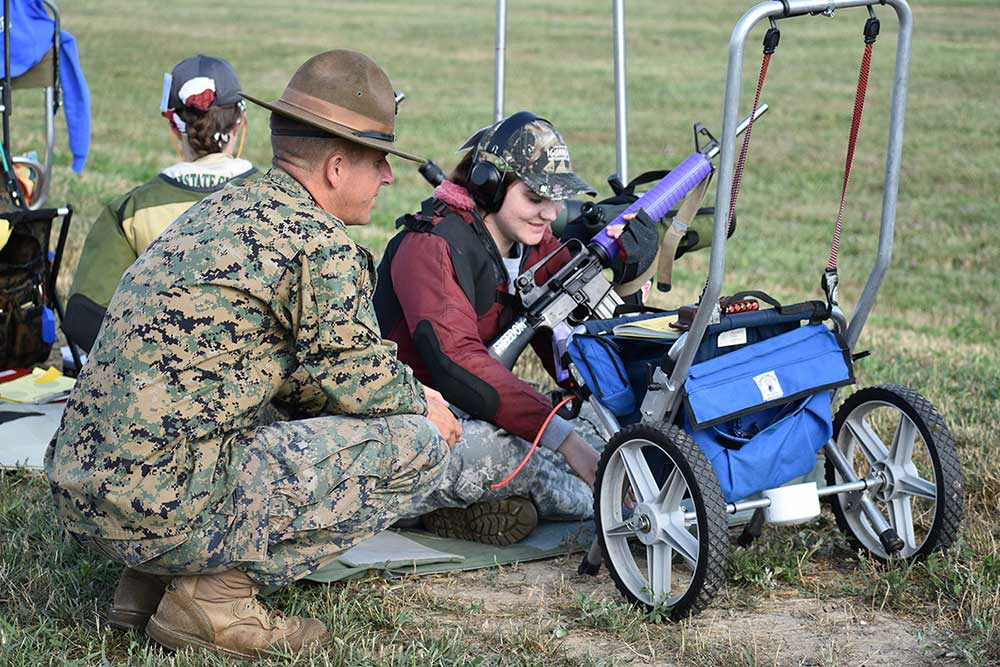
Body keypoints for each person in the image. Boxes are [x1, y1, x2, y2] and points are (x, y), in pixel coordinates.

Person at [45, 50, 461, 659]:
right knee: (416, 445)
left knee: (264, 410)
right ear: (338, 168)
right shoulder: (317, 244)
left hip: (85, 489)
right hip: (160, 502)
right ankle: (214, 598)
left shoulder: (222, 210)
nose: (389, 178)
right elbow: (364, 381)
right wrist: (427, 404)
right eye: (380, 162)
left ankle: (150, 581)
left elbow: (270, 374)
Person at [375, 112, 655, 544]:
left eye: (556, 198)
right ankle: (611, 506)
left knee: (604, 433)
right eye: (534, 197)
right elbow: (459, 364)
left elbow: (582, 348)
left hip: (472, 412)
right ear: (489, 184)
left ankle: (474, 509)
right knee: (512, 454)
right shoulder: (430, 247)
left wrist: (628, 275)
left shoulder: (531, 244)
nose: (551, 212)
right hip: (405, 424)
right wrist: (569, 446)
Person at [63, 54, 258, 353]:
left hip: (154, 388)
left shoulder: (131, 211)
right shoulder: (280, 200)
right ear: (240, 122)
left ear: (173, 128)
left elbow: (85, 315)